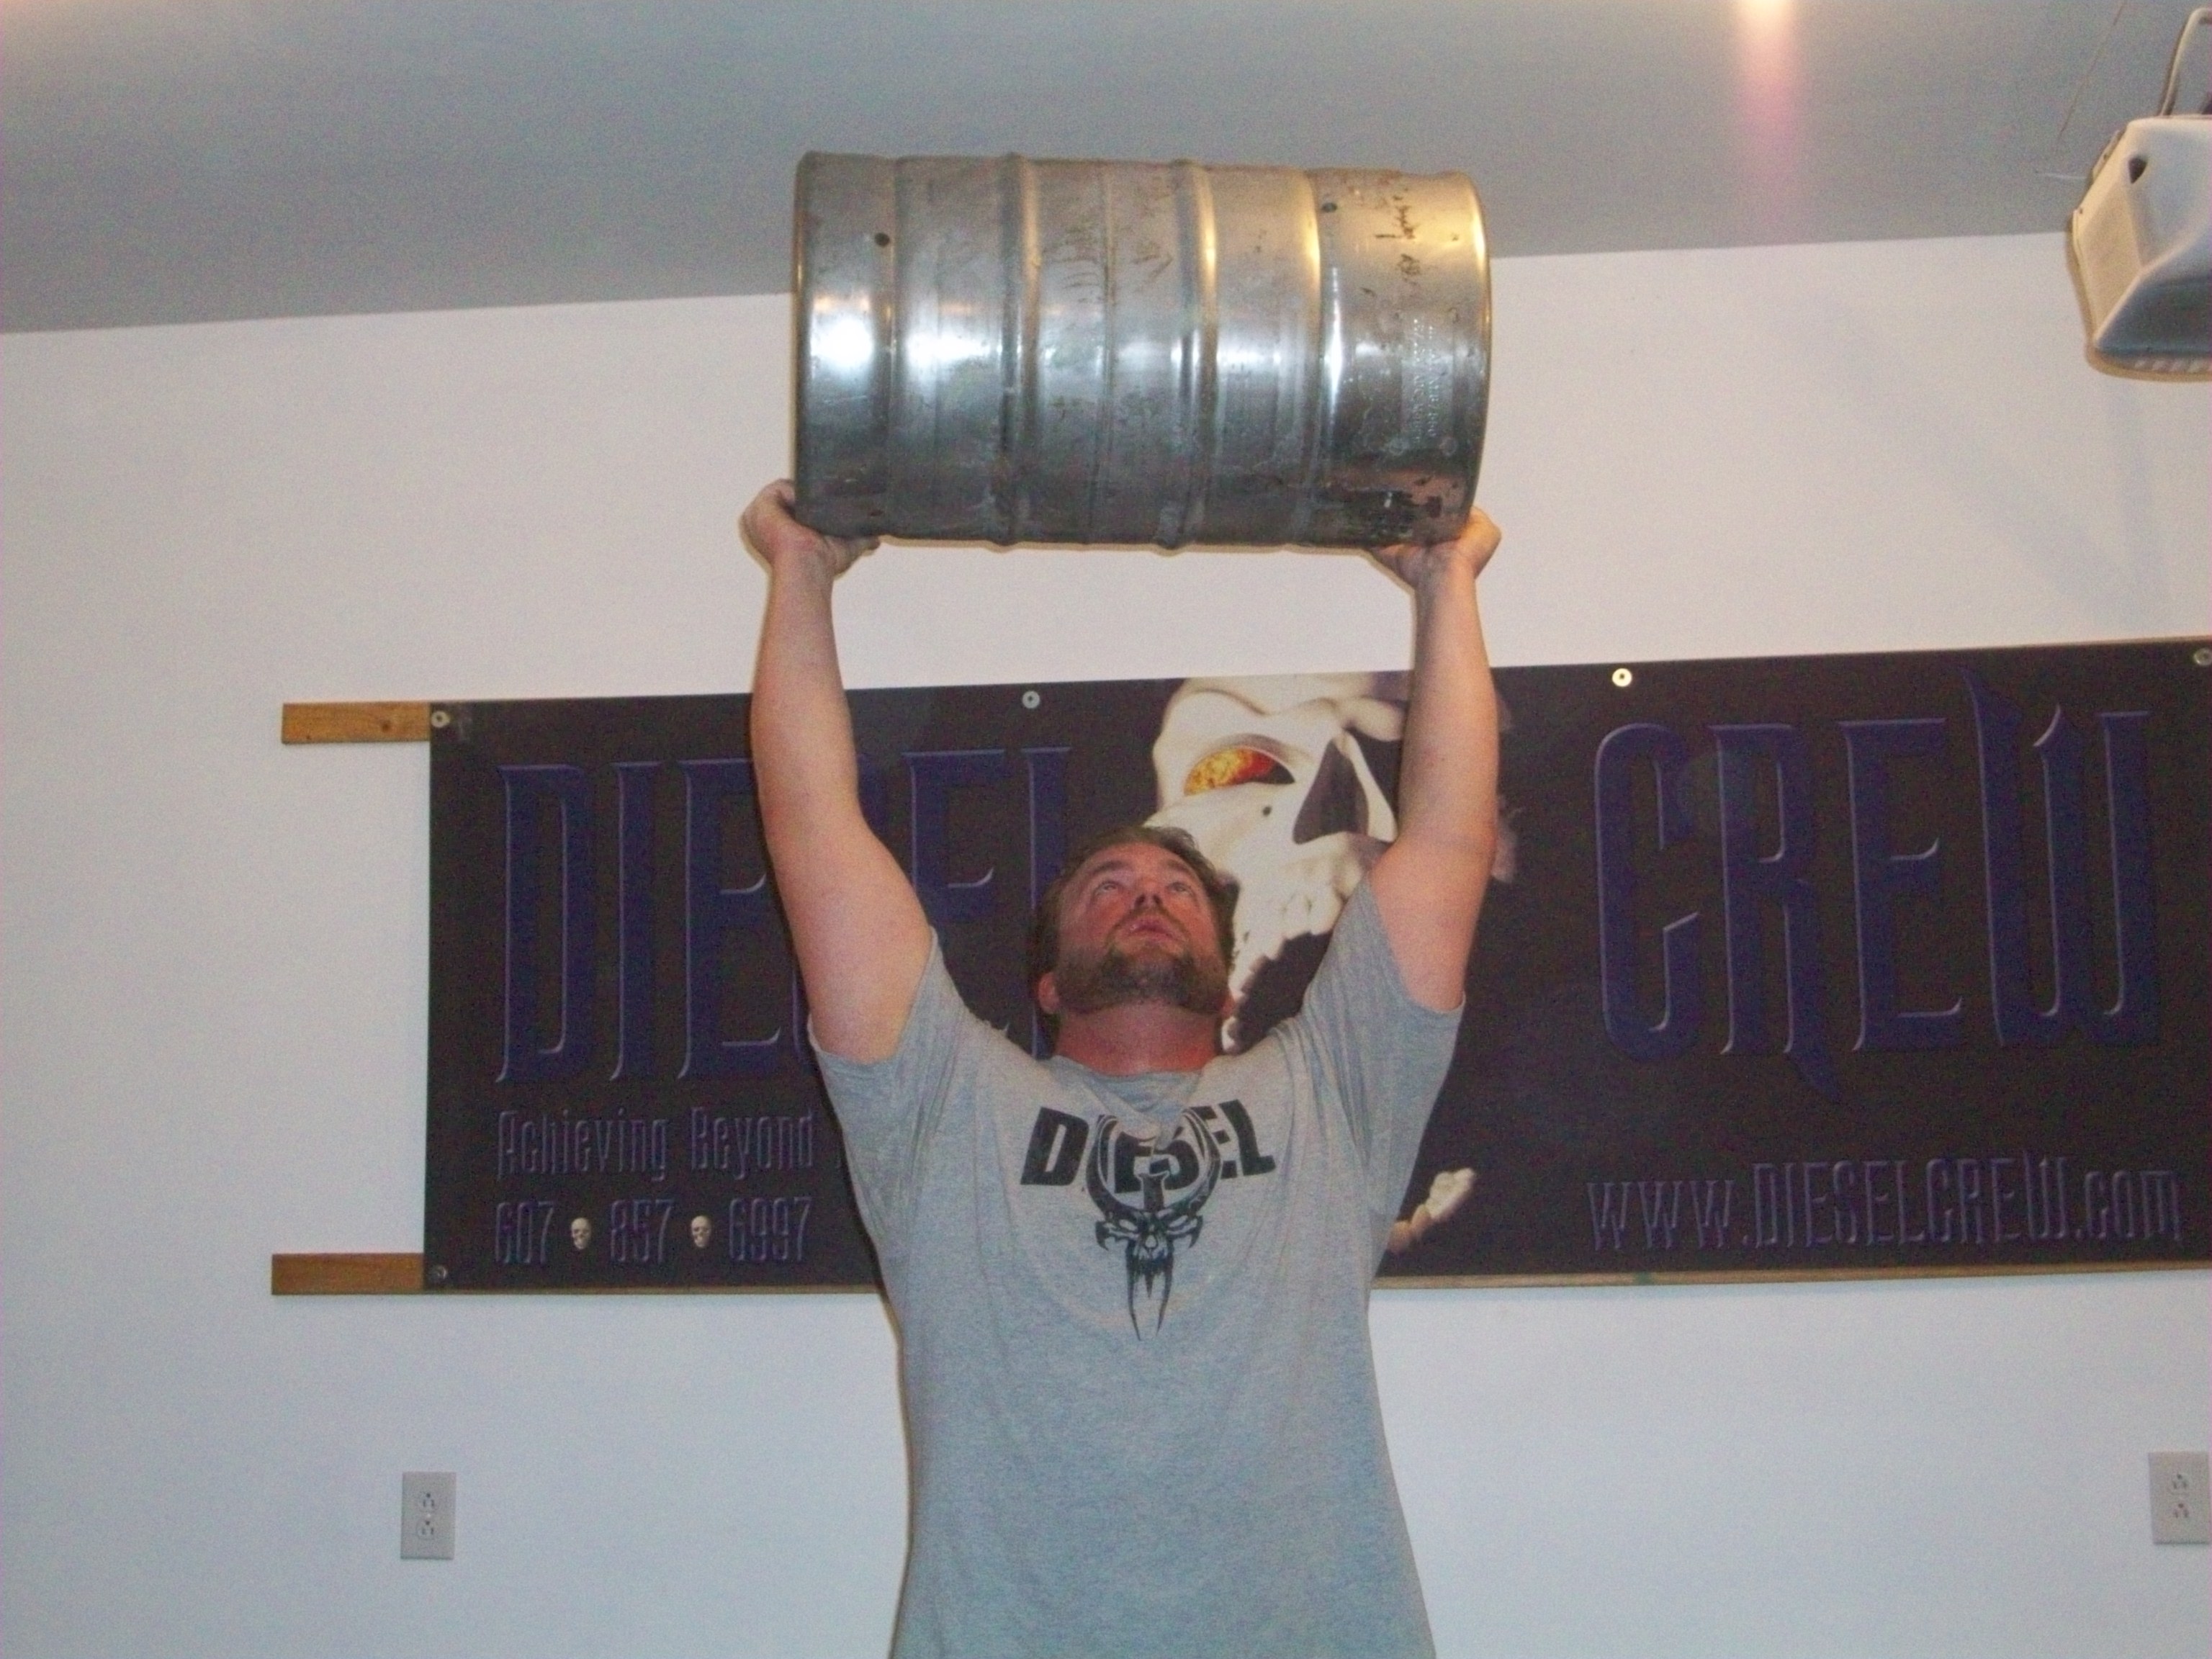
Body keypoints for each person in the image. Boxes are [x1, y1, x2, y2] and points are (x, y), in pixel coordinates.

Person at [742, 479, 1501, 1659]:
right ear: (1048, 980)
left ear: (1223, 948)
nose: (1149, 893)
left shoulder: (1332, 1096)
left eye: (1178, 890)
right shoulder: (944, 1107)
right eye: (1112, 888)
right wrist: (800, 571)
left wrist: (1444, 582)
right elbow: (810, 826)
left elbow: (1447, 838)